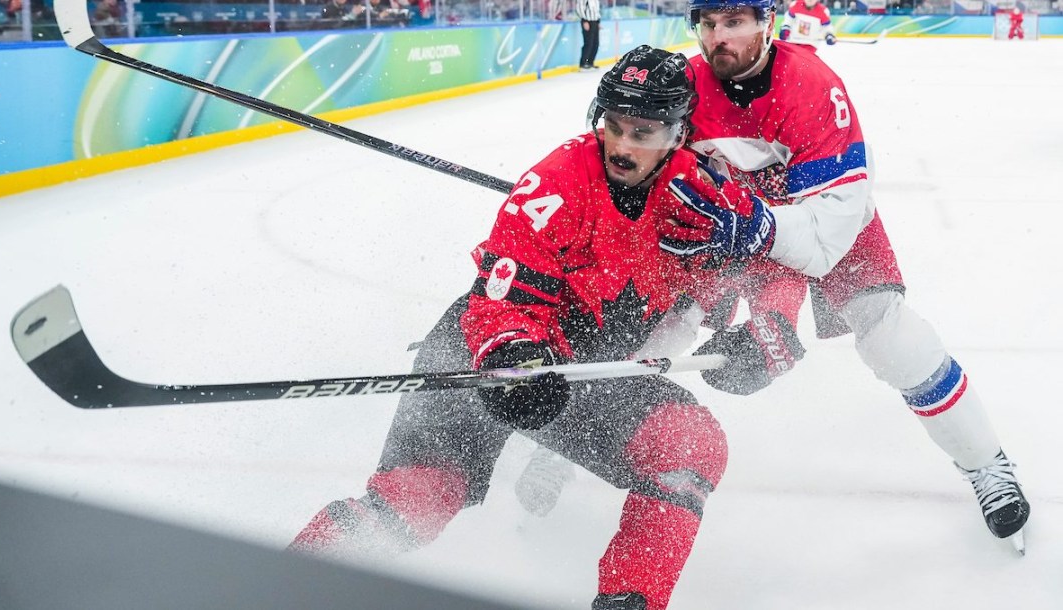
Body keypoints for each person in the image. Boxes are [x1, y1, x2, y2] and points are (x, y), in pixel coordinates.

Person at [289, 45, 806, 610]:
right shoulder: (554, 184)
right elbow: (499, 308)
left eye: (645, 131)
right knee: (419, 499)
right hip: (482, 358)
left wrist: (770, 333)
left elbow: (774, 266)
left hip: (587, 376)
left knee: (689, 445)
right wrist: (516, 361)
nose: (624, 146)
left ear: (680, 135)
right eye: (614, 125)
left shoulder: (701, 194)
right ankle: (278, 587)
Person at [669, 0, 1030, 549]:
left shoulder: (811, 86)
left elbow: (822, 238)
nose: (719, 37)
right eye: (709, 24)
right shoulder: (685, 86)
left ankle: (985, 463)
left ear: (767, 24)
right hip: (737, 220)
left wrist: (759, 248)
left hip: (825, 217)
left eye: (735, 23)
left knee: (890, 336)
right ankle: (586, 427)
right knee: (665, 308)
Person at [576, 0, 601, 69]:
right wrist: (584, 21)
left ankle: (590, 62)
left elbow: (597, 10)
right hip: (587, 22)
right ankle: (583, 63)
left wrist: (598, 22)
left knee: (596, 43)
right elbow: (579, 8)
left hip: (595, 22)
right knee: (588, 43)